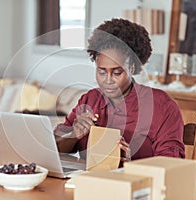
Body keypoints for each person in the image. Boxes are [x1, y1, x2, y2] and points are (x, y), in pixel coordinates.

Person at [54, 18, 185, 166]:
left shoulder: (161, 106)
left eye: (117, 73)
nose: (108, 80)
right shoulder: (90, 100)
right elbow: (55, 148)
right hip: (89, 182)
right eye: (102, 72)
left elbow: (172, 165)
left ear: (132, 68)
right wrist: (73, 135)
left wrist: (130, 163)